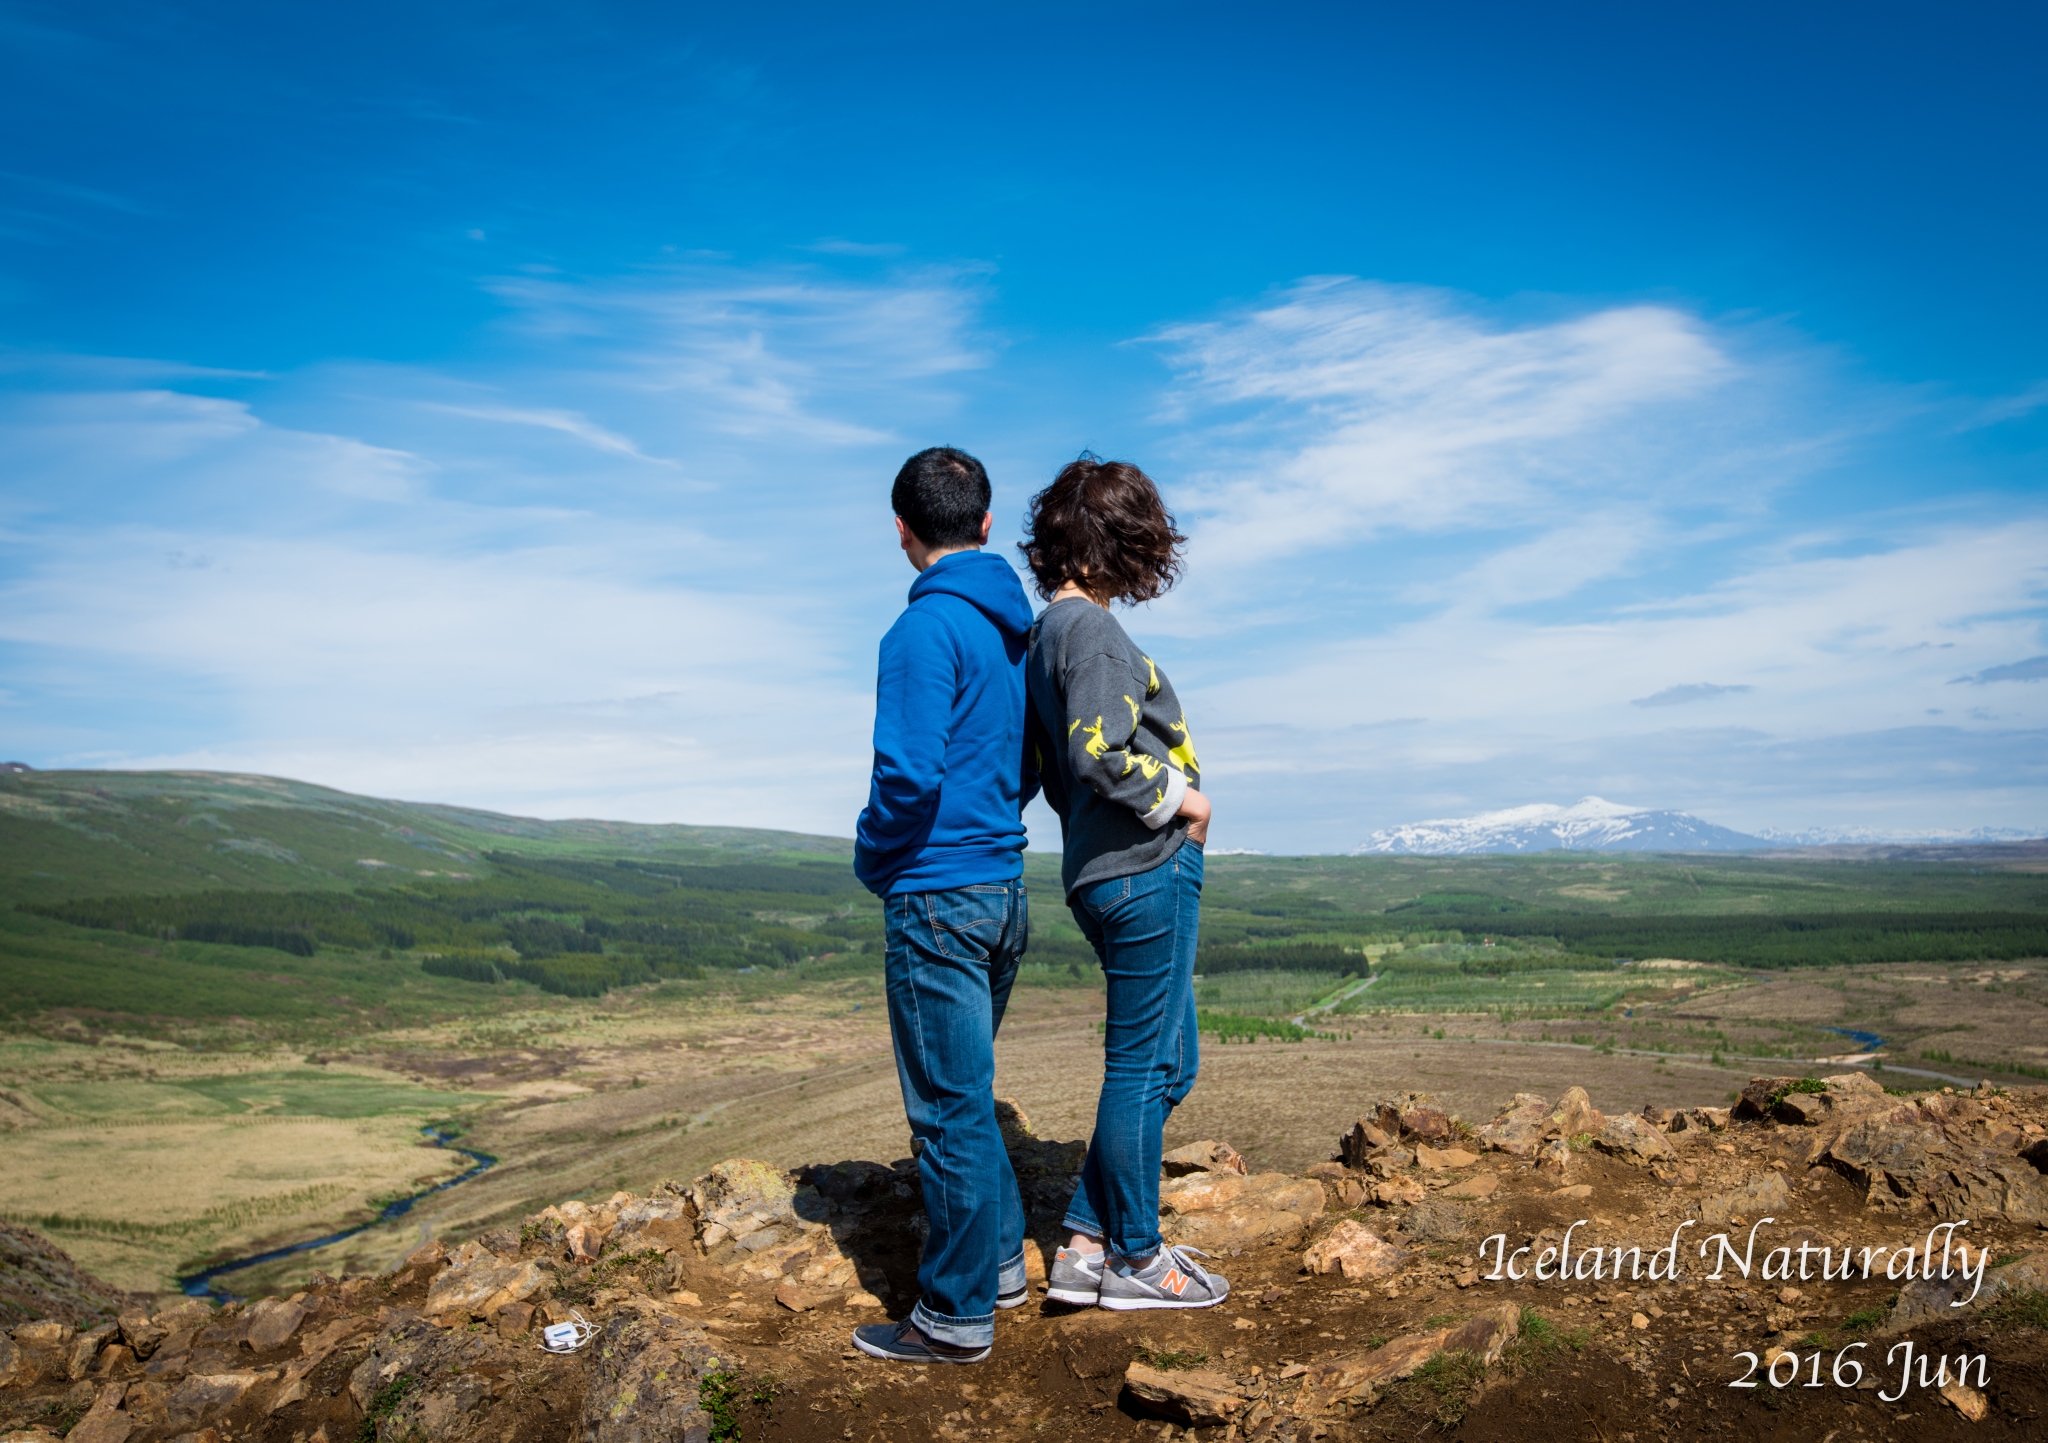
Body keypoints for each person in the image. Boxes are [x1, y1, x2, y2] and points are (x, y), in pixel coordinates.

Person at [1019, 455, 1227, 1312]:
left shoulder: (1047, 633)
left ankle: (1083, 1242)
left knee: (1171, 1060)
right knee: (1145, 1066)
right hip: (1144, 867)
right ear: (1119, 543)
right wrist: (1185, 800)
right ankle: (1136, 1258)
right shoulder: (1094, 632)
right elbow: (1094, 751)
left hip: (1099, 872)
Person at [850, 446, 1036, 1364]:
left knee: (947, 1112)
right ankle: (999, 1262)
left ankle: (955, 1316)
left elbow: (908, 773)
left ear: (902, 531)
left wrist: (875, 857)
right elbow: (1033, 760)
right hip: (1003, 890)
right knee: (970, 1095)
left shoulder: (921, 634)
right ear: (987, 523)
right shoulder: (1015, 630)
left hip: (937, 893)